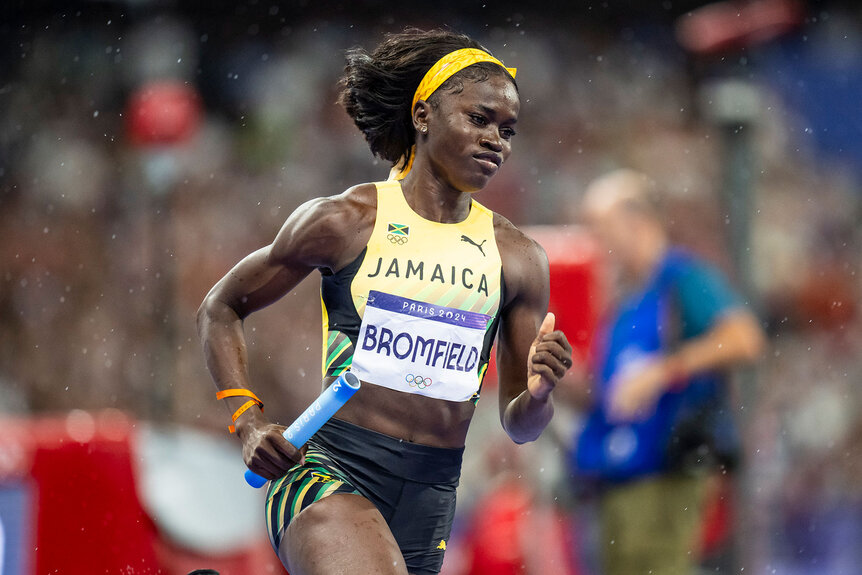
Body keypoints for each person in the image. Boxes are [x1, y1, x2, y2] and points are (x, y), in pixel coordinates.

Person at [196, 28, 573, 575]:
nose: (497, 140)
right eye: (480, 119)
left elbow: (521, 424)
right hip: (329, 473)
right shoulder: (348, 221)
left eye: (508, 130)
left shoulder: (518, 258)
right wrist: (249, 420)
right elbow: (221, 307)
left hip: (432, 497)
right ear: (423, 116)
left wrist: (539, 393)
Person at [562, 168, 766, 575]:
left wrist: (663, 371)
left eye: (601, 228)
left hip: (666, 470)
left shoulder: (681, 280)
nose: (595, 242)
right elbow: (605, 394)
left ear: (635, 222)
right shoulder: (621, 300)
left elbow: (745, 338)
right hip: (618, 475)